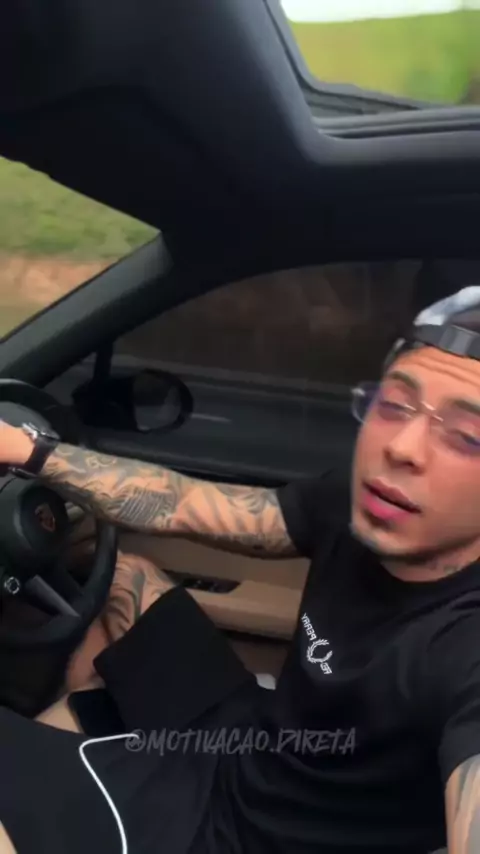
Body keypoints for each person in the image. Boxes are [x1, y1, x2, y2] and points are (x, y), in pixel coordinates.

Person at [3, 290, 480, 854]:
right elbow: (184, 504)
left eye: (467, 436)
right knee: (127, 577)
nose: (402, 448)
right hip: (246, 746)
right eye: (396, 405)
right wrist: (25, 451)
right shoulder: (357, 504)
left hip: (228, 838)